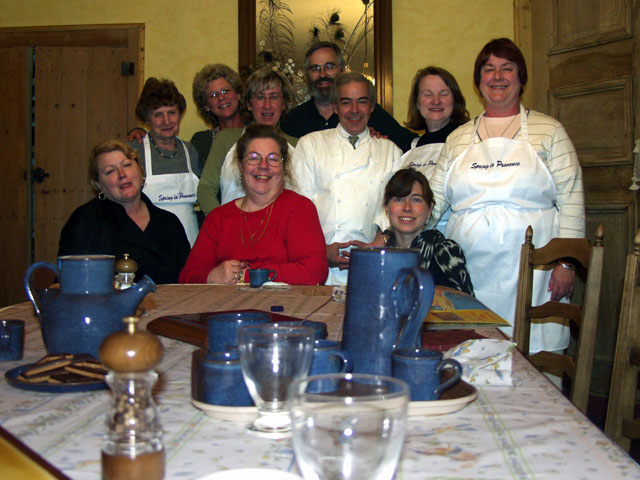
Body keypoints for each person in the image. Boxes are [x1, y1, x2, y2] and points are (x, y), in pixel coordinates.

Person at [429, 38, 585, 354]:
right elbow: (432, 203)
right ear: (478, 80)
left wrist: (566, 264)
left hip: (536, 272)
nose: (497, 76)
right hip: (471, 272)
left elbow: (572, 199)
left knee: (537, 356)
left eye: (507, 68)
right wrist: (396, 236)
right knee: (472, 354)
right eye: (489, 69)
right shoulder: (458, 139)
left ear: (521, 77)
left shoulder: (549, 131)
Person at [179, 124, 328, 285]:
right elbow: (186, 278)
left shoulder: (300, 209)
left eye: (273, 159)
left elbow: (314, 271)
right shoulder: (218, 218)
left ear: (283, 167)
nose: (263, 166)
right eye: (253, 158)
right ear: (240, 166)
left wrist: (247, 276)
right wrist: (211, 277)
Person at [292, 72, 401, 285]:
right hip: (319, 267)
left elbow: (396, 208)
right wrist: (320, 251)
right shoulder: (310, 145)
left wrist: (379, 243)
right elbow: (298, 207)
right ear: (335, 106)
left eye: (362, 102)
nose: (354, 110)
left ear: (372, 106)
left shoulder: (391, 151)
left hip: (372, 265)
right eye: (346, 102)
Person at [59, 140, 190, 284]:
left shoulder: (169, 222)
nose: (122, 174)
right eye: (110, 171)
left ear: (140, 170)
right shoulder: (84, 221)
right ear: (98, 184)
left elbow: (186, 280)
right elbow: (72, 283)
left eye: (127, 165)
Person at [280, 41, 417, 152]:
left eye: (329, 66)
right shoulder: (293, 120)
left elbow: (412, 146)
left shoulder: (368, 113)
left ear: (342, 70)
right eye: (315, 68)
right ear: (307, 74)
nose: (322, 74)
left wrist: (379, 143)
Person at [197, 67, 298, 213]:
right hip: (233, 226)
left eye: (274, 97)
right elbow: (206, 188)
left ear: (284, 104)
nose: (267, 105)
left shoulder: (298, 146)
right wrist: (220, 223)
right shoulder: (226, 139)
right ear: (249, 104)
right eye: (260, 97)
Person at [396, 66, 470, 233]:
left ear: (455, 100)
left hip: (453, 240)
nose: (436, 101)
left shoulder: (468, 143)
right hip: (411, 240)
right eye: (427, 94)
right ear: (417, 103)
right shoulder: (410, 147)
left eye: (443, 94)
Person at [128, 78, 201, 246]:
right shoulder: (134, 150)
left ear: (180, 114)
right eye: (158, 115)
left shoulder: (190, 151)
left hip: (190, 242)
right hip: (148, 243)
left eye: (172, 112)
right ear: (146, 119)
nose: (166, 121)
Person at [382, 168, 473, 295]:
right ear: (387, 208)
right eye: (399, 199)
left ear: (429, 209)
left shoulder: (443, 252)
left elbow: (463, 303)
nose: (407, 208)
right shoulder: (380, 256)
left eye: (416, 200)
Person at [190, 63, 247, 162]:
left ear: (238, 94)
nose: (221, 97)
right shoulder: (201, 143)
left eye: (225, 91)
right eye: (213, 95)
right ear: (206, 106)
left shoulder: (257, 134)